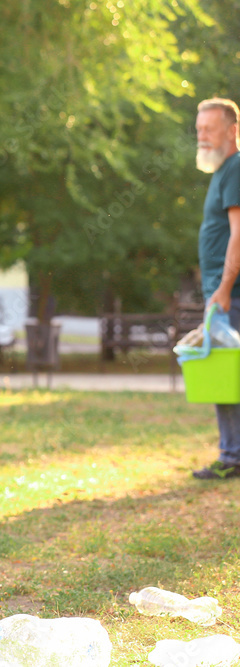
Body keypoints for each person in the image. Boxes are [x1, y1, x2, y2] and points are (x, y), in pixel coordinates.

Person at [193, 97, 240, 480]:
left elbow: (239, 235)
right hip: (222, 293)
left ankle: (233, 457)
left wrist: (224, 288)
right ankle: (232, 453)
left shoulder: (237, 168)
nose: (202, 136)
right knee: (224, 374)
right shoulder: (223, 170)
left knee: (226, 373)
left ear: (232, 130)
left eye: (209, 128)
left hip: (231, 296)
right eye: (199, 130)